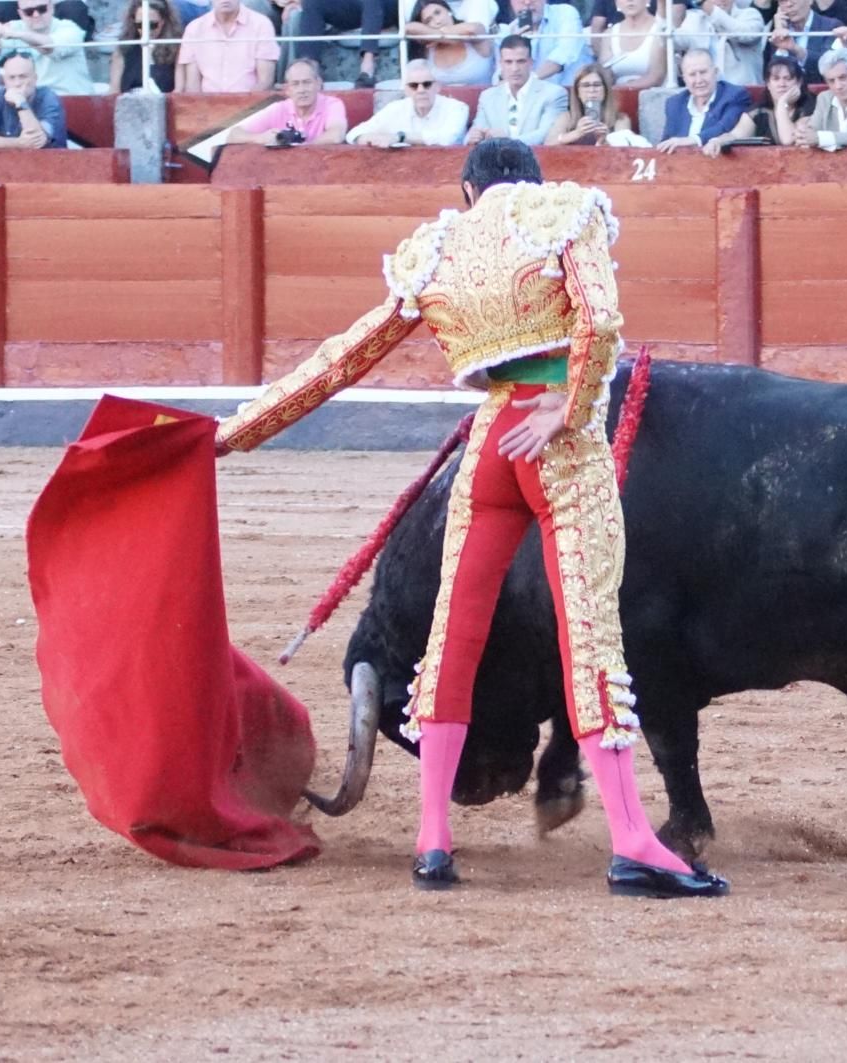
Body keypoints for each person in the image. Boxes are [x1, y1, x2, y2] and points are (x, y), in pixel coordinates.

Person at [213, 138, 731, 900]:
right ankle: (632, 842)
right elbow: (603, 318)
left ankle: (432, 841)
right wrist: (571, 405)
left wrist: (229, 434)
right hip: (555, 439)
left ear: (466, 189)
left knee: (453, 634)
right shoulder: (562, 213)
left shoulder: (437, 248)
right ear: (531, 181)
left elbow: (340, 360)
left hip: (489, 439)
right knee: (589, 632)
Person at [465, 35, 568, 146]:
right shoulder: (487, 96)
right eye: (508, 62)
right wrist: (471, 138)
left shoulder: (554, 93)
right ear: (501, 64)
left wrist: (508, 140)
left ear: (531, 63)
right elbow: (477, 130)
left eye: (521, 61)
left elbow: (545, 135)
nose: (515, 69)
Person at [701, 53, 813, 153]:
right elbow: (734, 135)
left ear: (799, 82)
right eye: (776, 79)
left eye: (788, 78)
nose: (781, 84)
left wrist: (781, 104)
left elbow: (788, 139)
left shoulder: (810, 107)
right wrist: (717, 141)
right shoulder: (758, 112)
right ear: (768, 84)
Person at [345, 58, 469, 145]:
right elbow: (353, 134)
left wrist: (399, 137)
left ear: (438, 86)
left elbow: (446, 139)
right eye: (414, 86)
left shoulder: (457, 108)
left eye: (427, 84)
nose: (420, 90)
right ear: (406, 90)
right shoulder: (395, 108)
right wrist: (370, 138)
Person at [226, 57, 347, 144]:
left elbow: (336, 135)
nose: (302, 89)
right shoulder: (278, 108)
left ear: (319, 84)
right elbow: (234, 134)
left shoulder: (332, 104)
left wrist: (300, 149)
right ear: (287, 89)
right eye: (295, 84)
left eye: (307, 82)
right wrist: (261, 138)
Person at [0, 0, 93, 95]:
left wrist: (19, 35)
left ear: (51, 7)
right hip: (33, 102)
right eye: (29, 11)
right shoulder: (15, 27)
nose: (36, 15)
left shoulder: (70, 28)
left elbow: (49, 48)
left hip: (71, 99)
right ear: (20, 13)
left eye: (42, 9)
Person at [655, 47, 748, 152]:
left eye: (703, 72)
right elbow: (667, 143)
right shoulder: (674, 104)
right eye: (692, 74)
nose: (699, 80)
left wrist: (692, 140)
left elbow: (724, 128)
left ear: (715, 72)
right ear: (684, 79)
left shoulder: (734, 95)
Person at [176, 0, 277, 94]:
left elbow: (265, 82)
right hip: (207, 107)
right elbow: (193, 86)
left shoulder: (262, 24)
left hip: (252, 106)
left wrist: (245, 107)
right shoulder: (194, 29)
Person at [0, 50, 66, 147]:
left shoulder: (48, 97)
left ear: (35, 78)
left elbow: (36, 142)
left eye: (23, 77)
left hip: (51, 160)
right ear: (4, 81)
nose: (17, 83)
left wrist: (20, 103)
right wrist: (18, 143)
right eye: (12, 78)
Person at [294, 0, 396, 89]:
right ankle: (310, 71)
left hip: (385, 7)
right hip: (355, 7)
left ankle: (367, 69)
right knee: (312, 2)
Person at [673, 0, 765, 86]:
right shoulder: (695, 19)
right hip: (704, 92)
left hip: (743, 93)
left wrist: (713, 11)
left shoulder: (750, 14)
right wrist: (662, 16)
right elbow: (676, 42)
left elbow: (744, 35)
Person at [403, 0, 494, 86]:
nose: (437, 21)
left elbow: (473, 29)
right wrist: (441, 36)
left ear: (448, 11)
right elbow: (409, 27)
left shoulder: (472, 34)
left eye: (438, 13)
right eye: (428, 20)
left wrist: (440, 34)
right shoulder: (428, 48)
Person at [546, 63, 635, 145]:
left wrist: (606, 139)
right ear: (578, 92)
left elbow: (624, 150)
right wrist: (576, 133)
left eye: (597, 85)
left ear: (606, 90)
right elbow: (548, 145)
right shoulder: (567, 117)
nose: (592, 90)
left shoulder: (620, 119)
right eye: (586, 85)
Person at [499, 0, 586, 85]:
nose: (527, 2)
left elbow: (564, 54)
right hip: (530, 95)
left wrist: (529, 81)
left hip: (570, 92)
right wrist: (514, 48)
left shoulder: (565, 13)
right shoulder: (508, 31)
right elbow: (497, 77)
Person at [106, 0, 183, 93]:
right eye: (140, 25)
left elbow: (179, 91)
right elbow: (114, 91)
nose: (146, 30)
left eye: (152, 25)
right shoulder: (124, 48)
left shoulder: (176, 48)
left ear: (163, 22)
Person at [765, 0, 842, 87]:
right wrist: (780, 40)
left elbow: (830, 68)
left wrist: (796, 49)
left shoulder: (831, 27)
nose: (789, 4)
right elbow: (771, 75)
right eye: (783, 1)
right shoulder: (776, 30)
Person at [593, 0, 664, 91]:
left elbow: (656, 76)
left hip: (651, 96)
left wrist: (622, 89)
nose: (629, 0)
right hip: (616, 97)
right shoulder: (610, 34)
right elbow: (605, 73)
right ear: (617, 3)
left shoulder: (660, 29)